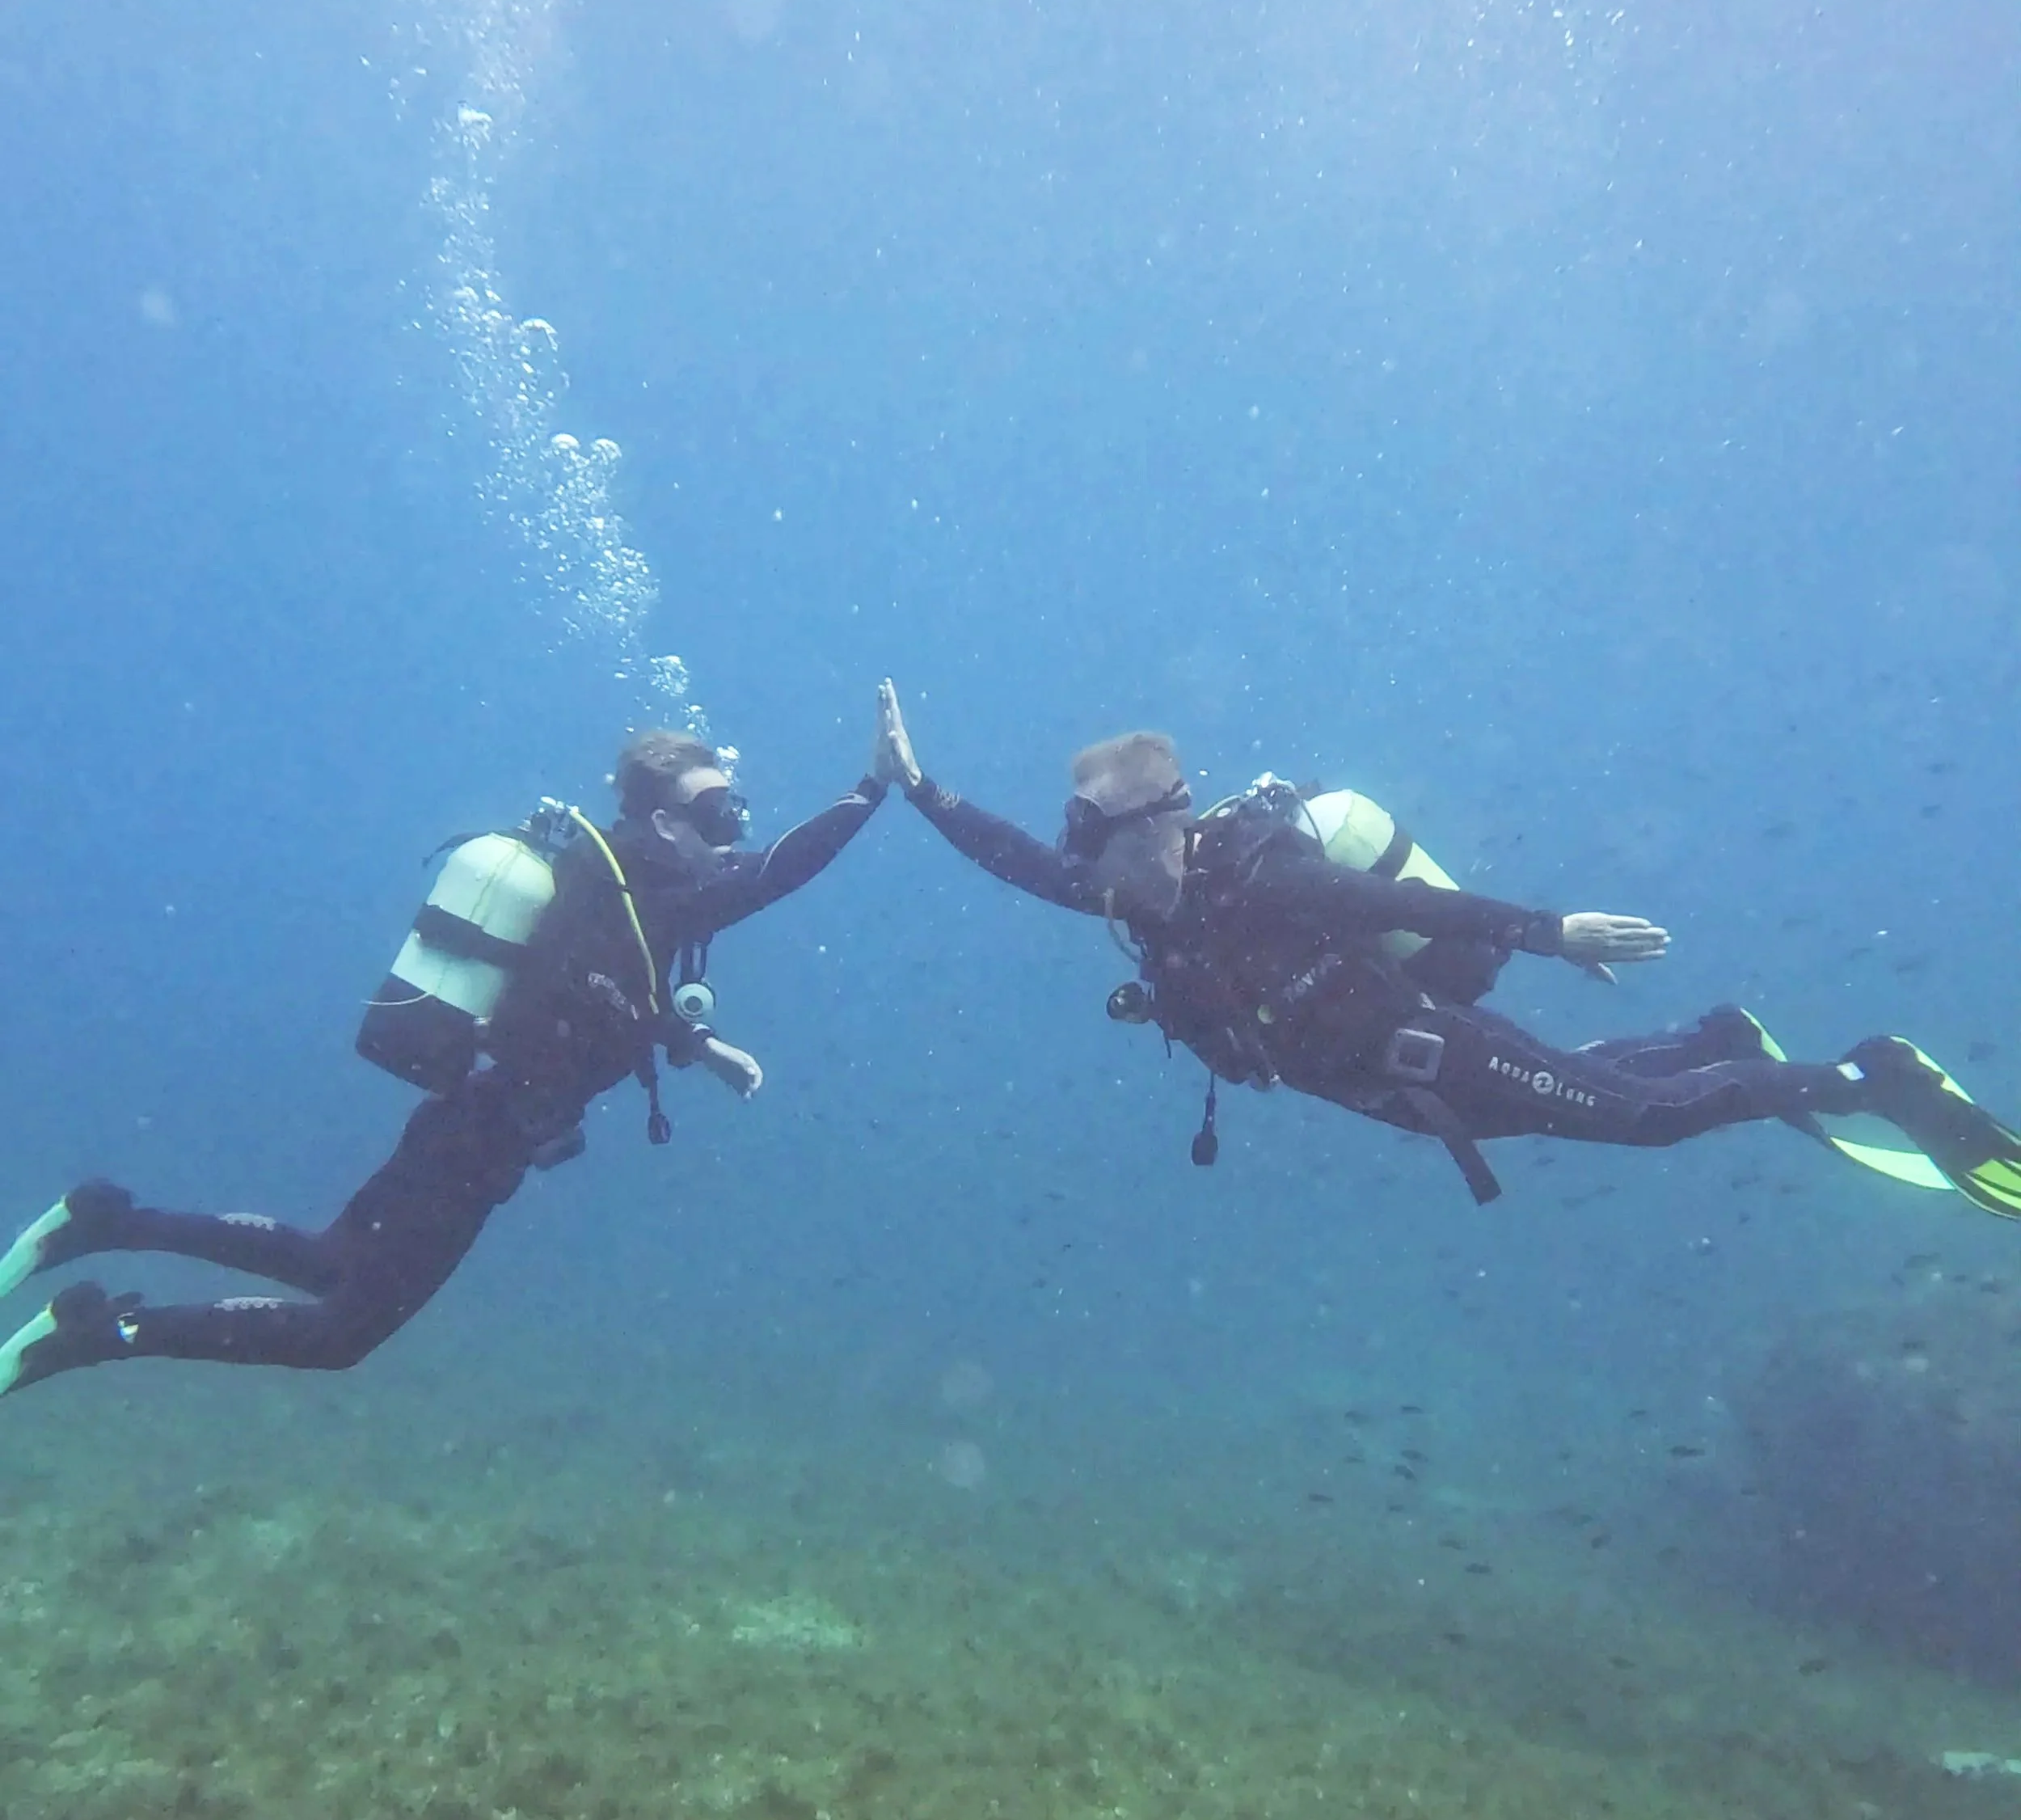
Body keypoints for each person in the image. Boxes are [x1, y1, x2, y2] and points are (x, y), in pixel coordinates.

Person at [869, 685, 2021, 1214]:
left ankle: (1878, 1076)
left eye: (1096, 839)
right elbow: (1016, 861)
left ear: (1157, 827)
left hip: (1424, 1050)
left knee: (1643, 1118)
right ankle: (1717, 1038)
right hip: (1388, 1087)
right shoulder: (1140, 905)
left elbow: (1422, 909)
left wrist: (1551, 933)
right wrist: (920, 789)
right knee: (1592, 1089)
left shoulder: (1264, 877)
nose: (1080, 862)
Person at [0, 720, 892, 1399]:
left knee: (329, 1259)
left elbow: (598, 990)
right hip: (477, 1141)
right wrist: (873, 788)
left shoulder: (617, 882)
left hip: (465, 1117)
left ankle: (103, 1224)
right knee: (341, 1334)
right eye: (717, 811)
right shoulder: (648, 890)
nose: (735, 824)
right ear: (663, 819)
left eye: (736, 806)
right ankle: (94, 1334)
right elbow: (776, 872)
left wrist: (695, 1043)